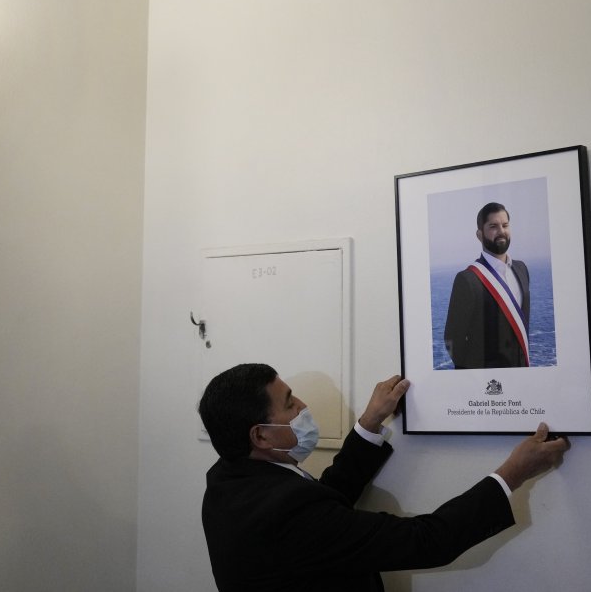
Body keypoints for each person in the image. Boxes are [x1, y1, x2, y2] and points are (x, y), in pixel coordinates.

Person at [198, 363, 569, 592]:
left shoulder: (227, 481)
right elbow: (426, 541)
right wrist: (513, 473)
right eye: (290, 402)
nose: (303, 407)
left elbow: (326, 507)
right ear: (259, 435)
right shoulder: (284, 511)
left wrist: (369, 424)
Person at [444, 202, 531, 369]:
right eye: (493, 226)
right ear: (479, 234)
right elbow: (452, 337)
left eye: (505, 225)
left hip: (521, 376)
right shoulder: (468, 279)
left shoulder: (522, 269)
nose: (501, 231)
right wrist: (473, 377)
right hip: (488, 383)